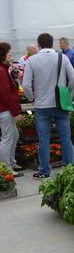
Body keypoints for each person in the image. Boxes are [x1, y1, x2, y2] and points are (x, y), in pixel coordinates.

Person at [23, 33, 74, 180]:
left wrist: (32, 98)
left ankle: (44, 171)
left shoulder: (32, 60)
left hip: (41, 105)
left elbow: (26, 85)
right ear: (52, 43)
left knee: (43, 139)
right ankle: (70, 167)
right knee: (66, 137)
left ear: (38, 44)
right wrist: (66, 93)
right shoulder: (62, 58)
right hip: (61, 104)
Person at [0, 42, 24, 177]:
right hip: (5, 110)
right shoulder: (1, 71)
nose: (11, 54)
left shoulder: (4, 69)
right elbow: (5, 94)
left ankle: (11, 162)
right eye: (9, 52)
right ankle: (6, 168)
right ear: (2, 54)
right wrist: (15, 113)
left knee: (14, 135)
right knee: (7, 138)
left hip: (6, 109)